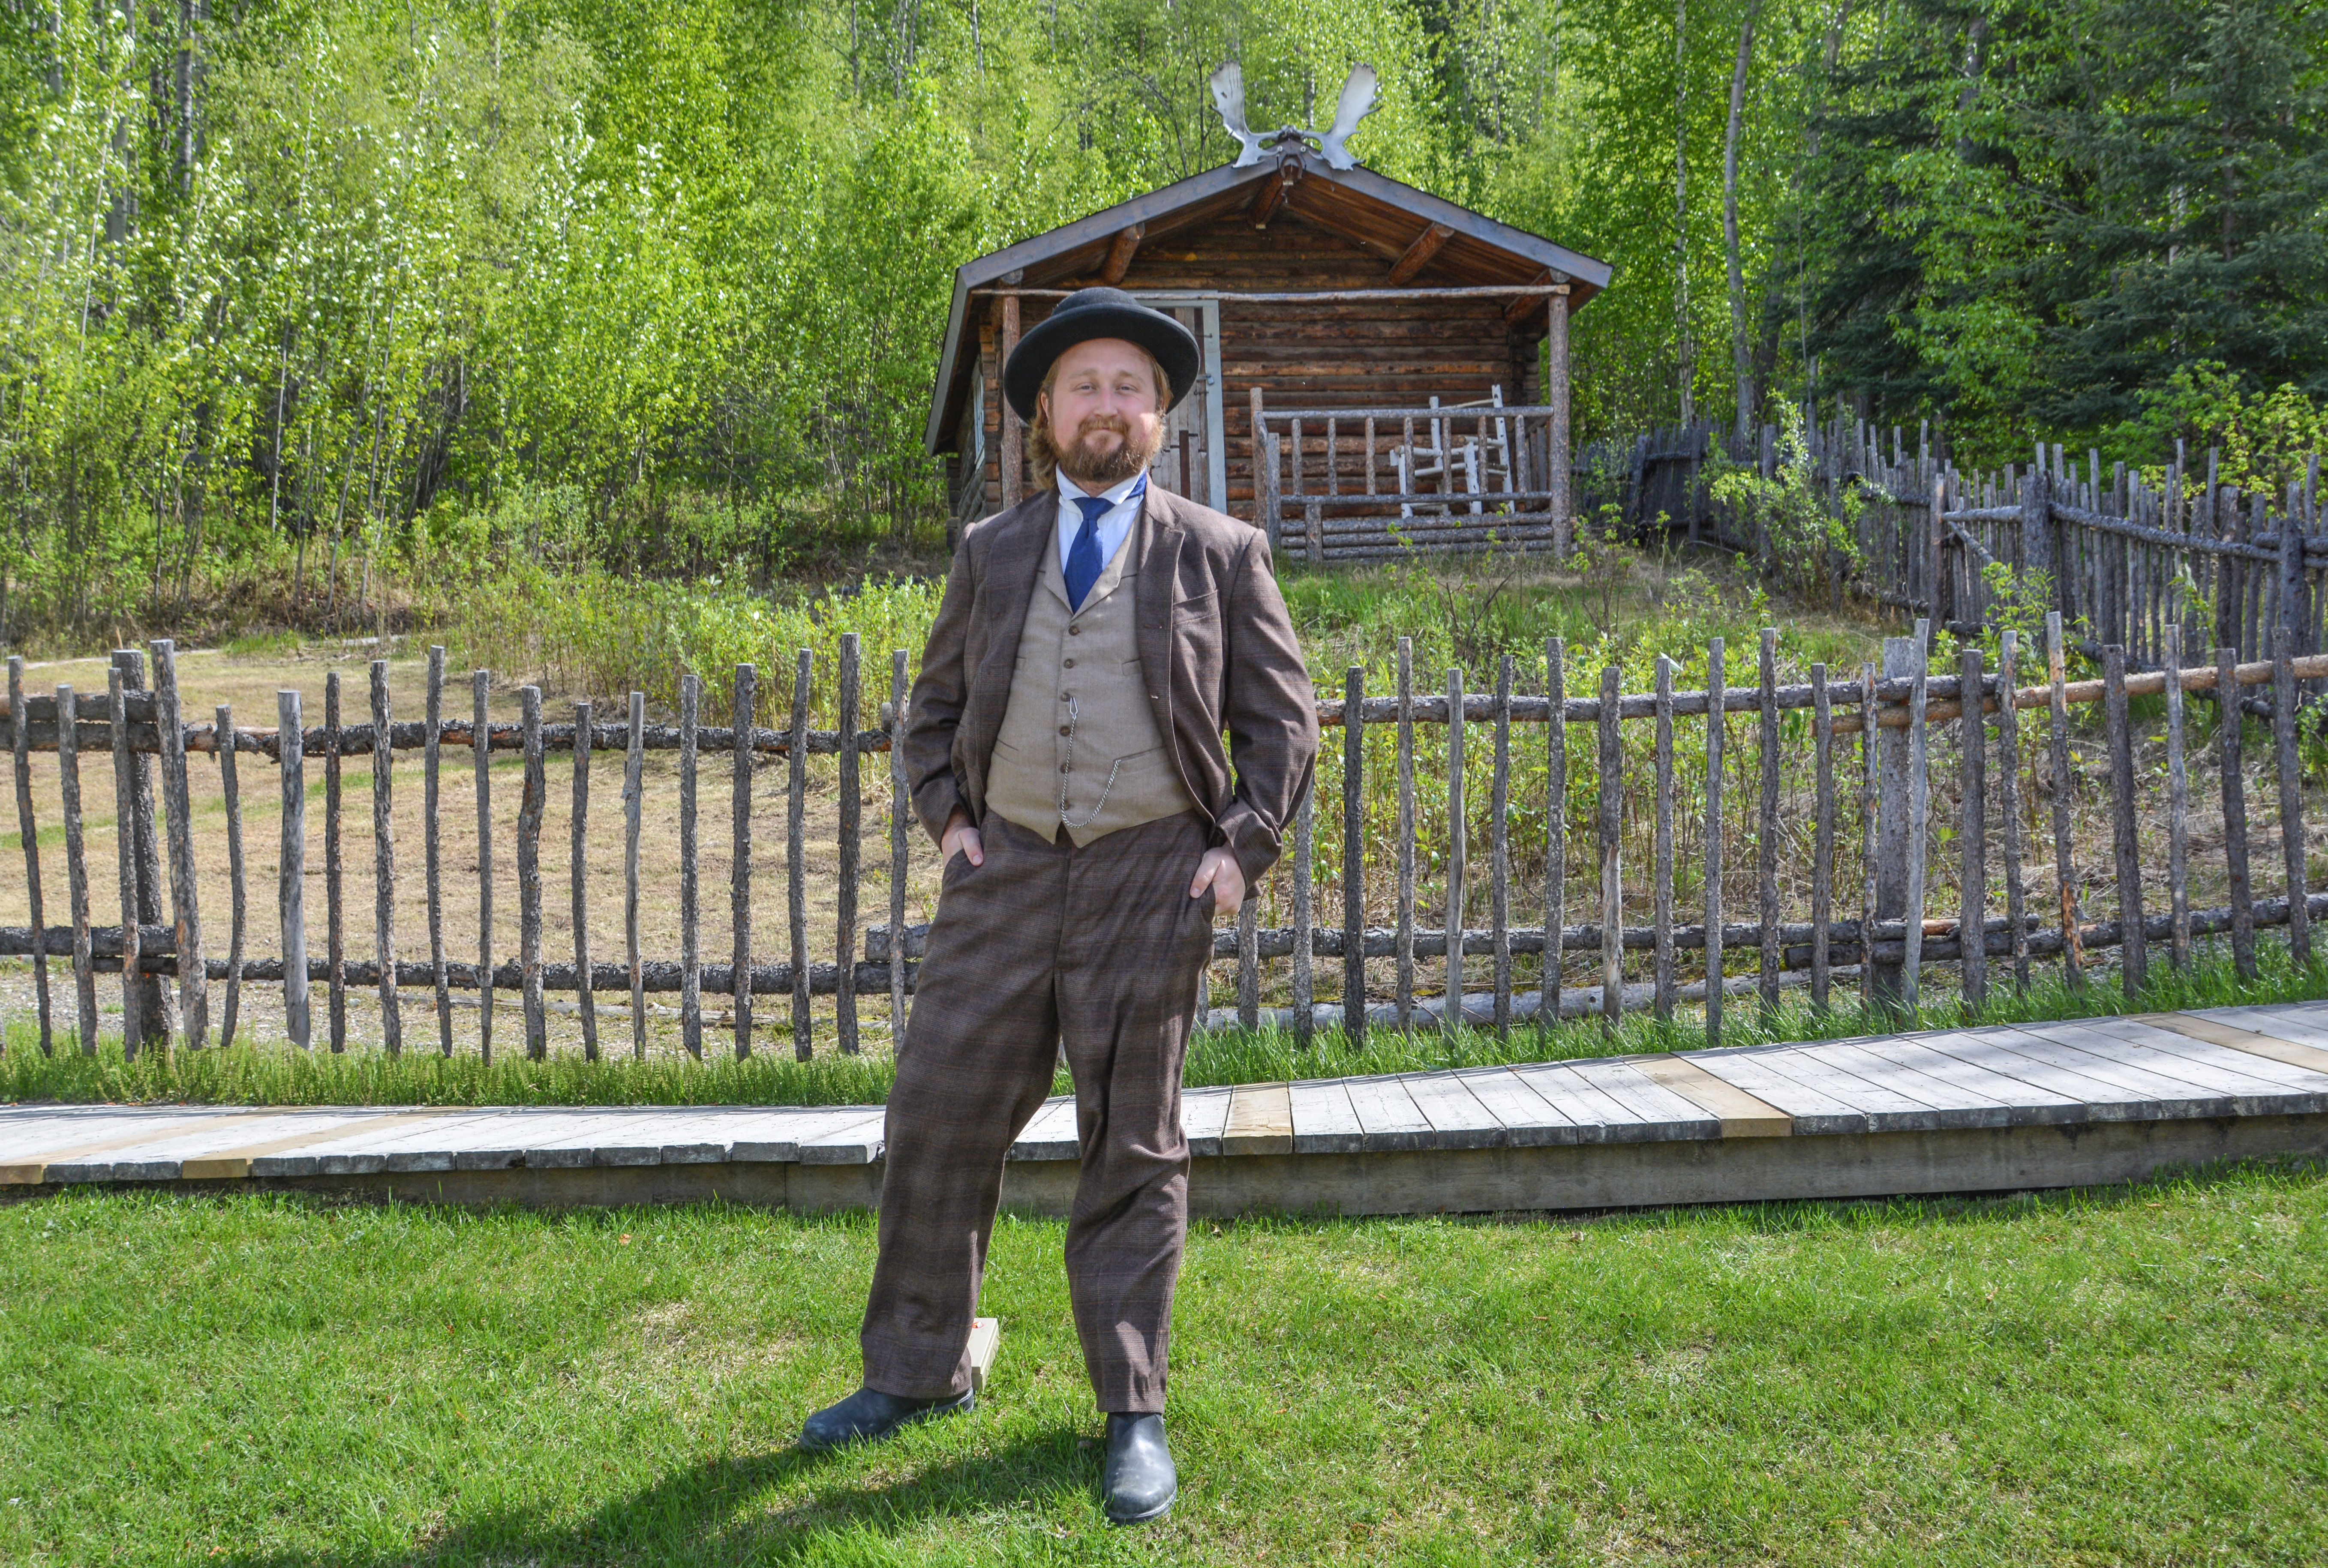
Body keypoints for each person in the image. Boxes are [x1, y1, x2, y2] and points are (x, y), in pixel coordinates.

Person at [797, 287, 1318, 1524]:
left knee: (1134, 1140)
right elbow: (929, 714)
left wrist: (1239, 848)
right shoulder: (993, 551)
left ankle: (1133, 1406)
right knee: (935, 1111)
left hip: (1153, 870)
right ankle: (917, 1371)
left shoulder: (1220, 551)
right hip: (1010, 869)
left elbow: (1284, 721)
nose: (1108, 407)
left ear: (1161, 417)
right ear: (1045, 411)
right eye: (1084, 385)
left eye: (1131, 388)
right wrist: (953, 822)